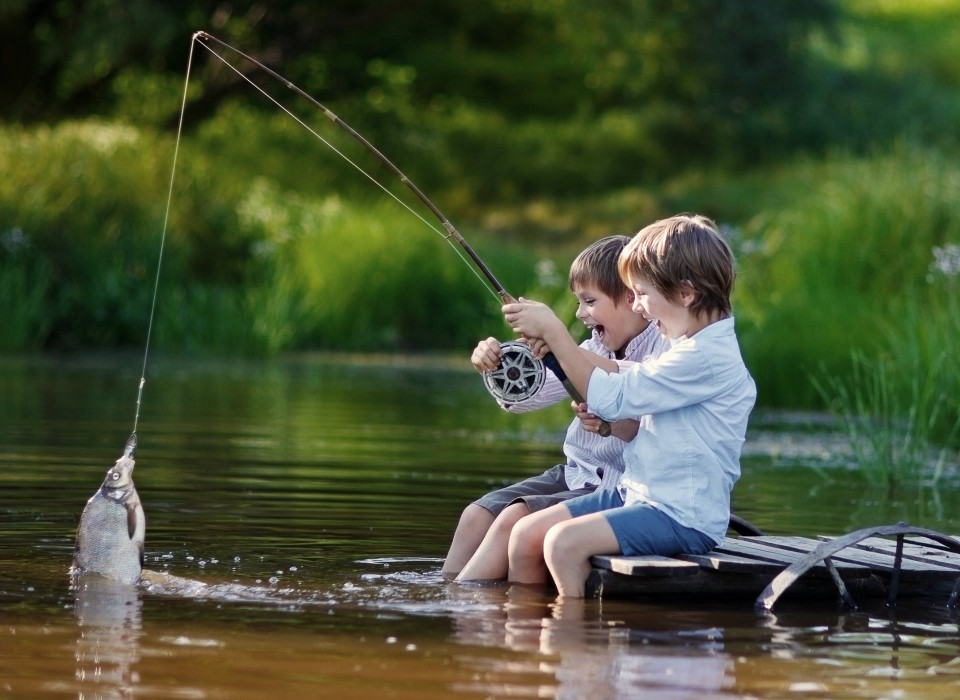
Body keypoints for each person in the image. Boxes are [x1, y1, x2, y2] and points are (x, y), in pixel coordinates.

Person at [501, 214, 756, 598]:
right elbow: (626, 386)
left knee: (562, 544)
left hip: (679, 515)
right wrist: (561, 352)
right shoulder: (684, 345)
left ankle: (572, 644)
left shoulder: (705, 357)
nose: (637, 306)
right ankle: (525, 636)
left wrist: (555, 332)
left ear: (685, 294)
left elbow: (615, 396)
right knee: (526, 532)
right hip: (636, 493)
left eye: (642, 294)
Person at [442, 235, 668, 581]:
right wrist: (498, 363)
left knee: (511, 520)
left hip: (619, 487)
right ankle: (446, 594)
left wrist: (560, 343)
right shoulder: (593, 345)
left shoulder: (663, 348)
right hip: (575, 474)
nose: (580, 313)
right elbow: (526, 398)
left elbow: (634, 383)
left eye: (589, 301)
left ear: (629, 298)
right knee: (476, 515)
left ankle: (463, 607)